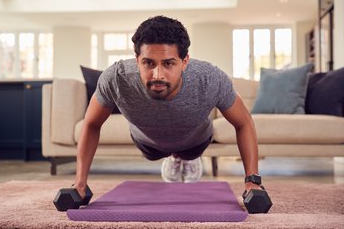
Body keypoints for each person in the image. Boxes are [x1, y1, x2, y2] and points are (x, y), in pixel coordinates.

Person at [74, 15, 262, 197]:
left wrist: (252, 182)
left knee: (189, 154)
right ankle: (173, 158)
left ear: (184, 62)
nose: (157, 75)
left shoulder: (211, 78)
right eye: (148, 63)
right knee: (154, 154)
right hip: (148, 144)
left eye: (168, 63)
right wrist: (80, 184)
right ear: (137, 59)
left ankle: (186, 160)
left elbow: (243, 122)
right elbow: (91, 123)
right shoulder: (115, 78)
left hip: (194, 142)